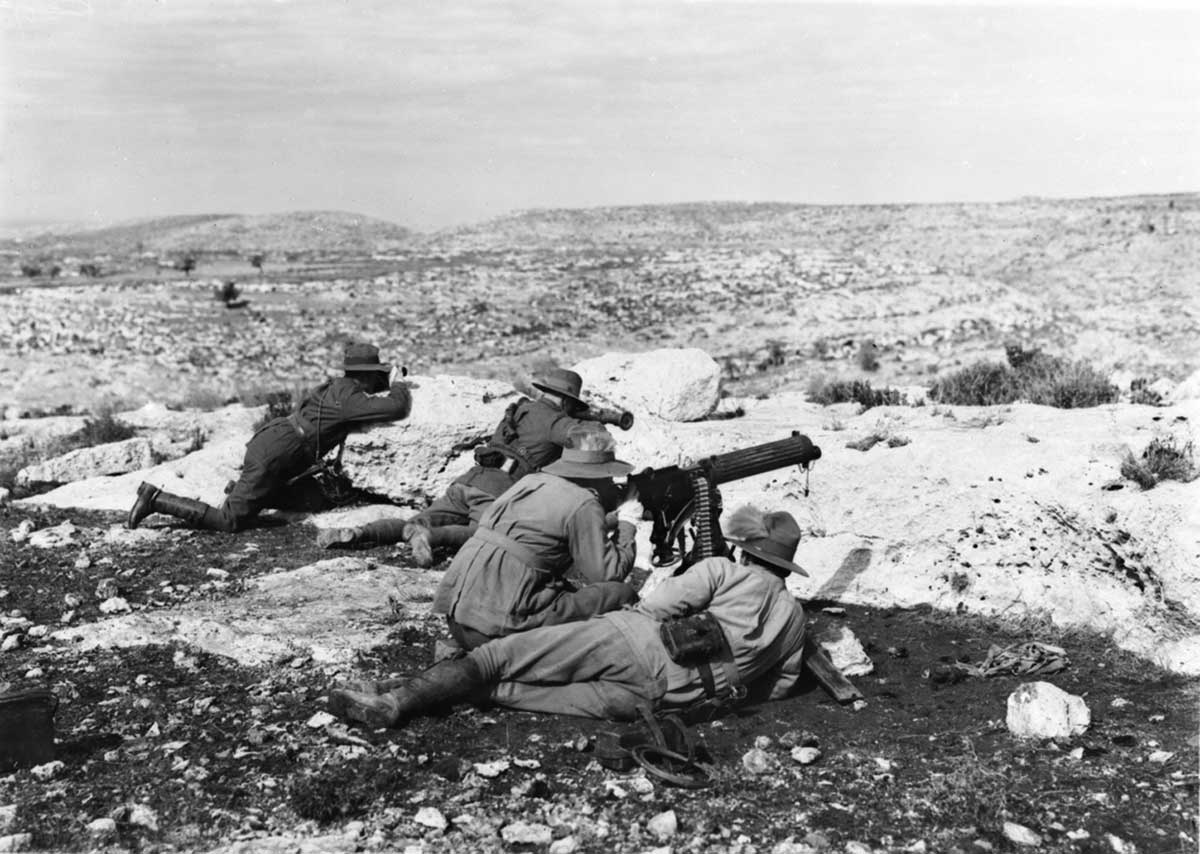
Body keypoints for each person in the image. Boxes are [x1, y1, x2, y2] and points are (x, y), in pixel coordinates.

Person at [328, 505, 810, 727]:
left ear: (748, 551)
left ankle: (395, 702)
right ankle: (398, 692)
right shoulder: (794, 619)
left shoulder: (724, 570)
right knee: (509, 691)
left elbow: (659, 606)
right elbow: (782, 685)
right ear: (785, 566)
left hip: (632, 643)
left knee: (500, 657)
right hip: (671, 702)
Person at [315, 367, 594, 565]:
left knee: (416, 520)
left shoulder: (520, 408)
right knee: (484, 534)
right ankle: (432, 537)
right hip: (498, 491)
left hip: (468, 481)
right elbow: (589, 442)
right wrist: (590, 420)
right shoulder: (560, 422)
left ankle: (361, 533)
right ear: (568, 400)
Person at [127, 341, 412, 532]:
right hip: (277, 453)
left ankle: (247, 491)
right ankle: (156, 499)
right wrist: (398, 385)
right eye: (376, 376)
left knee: (317, 500)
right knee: (231, 521)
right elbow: (396, 406)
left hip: (278, 444)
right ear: (367, 376)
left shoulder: (340, 387)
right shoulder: (349, 400)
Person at [431, 427, 643, 650]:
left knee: (567, 591)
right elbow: (608, 574)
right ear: (597, 474)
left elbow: (548, 530)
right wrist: (628, 521)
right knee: (620, 594)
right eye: (608, 475)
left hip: (457, 618)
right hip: (495, 632)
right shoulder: (584, 503)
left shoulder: (529, 482)